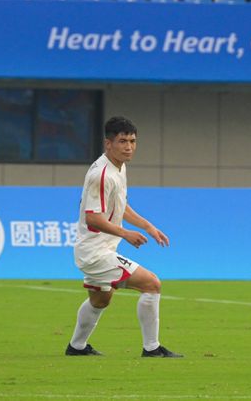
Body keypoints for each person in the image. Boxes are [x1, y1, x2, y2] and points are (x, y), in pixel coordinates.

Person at [64, 117, 182, 359]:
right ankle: (152, 349)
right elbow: (93, 219)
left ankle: (76, 347)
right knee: (152, 284)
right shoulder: (103, 174)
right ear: (108, 144)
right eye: (122, 141)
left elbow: (121, 206)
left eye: (132, 141)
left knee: (100, 300)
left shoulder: (118, 168)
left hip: (98, 251)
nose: (129, 146)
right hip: (96, 254)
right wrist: (125, 233)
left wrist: (148, 226)